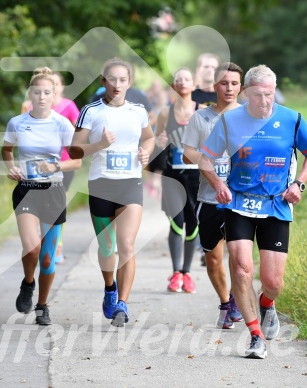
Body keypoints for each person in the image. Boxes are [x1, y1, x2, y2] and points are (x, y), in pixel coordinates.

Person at [198, 64, 307, 359]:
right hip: (239, 202)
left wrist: (299, 185)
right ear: (246, 93)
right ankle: (255, 335)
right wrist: (217, 183)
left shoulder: (292, 120)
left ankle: (267, 304)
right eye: (258, 95)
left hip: (277, 204)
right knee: (241, 269)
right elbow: (205, 159)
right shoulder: (229, 121)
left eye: (269, 95)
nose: (264, 101)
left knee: (273, 282)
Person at [69, 57, 155, 327]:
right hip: (101, 184)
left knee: (127, 244)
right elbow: (74, 150)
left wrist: (146, 153)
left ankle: (122, 305)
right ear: (103, 81)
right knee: (108, 247)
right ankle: (110, 288)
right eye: (112, 79)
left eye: (122, 79)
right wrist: (100, 145)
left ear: (130, 82)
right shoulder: (91, 111)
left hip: (129, 182)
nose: (117, 84)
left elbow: (149, 137)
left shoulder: (138, 110)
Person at [2, 67, 80, 325]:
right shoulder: (17, 122)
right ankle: (28, 282)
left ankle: (42, 305)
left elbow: (77, 161)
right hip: (26, 192)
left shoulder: (62, 123)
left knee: (47, 258)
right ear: (31, 94)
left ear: (54, 94)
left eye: (48, 92)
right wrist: (11, 167)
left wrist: (56, 166)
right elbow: (6, 150)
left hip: (53, 191)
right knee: (32, 248)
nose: (43, 97)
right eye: (38, 92)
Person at [181, 62, 244, 329]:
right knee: (213, 258)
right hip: (208, 199)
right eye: (223, 83)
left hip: (241, 200)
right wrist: (209, 162)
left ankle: (237, 298)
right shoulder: (201, 117)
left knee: (239, 257)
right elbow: (187, 153)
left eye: (234, 83)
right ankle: (225, 301)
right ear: (214, 86)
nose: (229, 88)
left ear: (241, 86)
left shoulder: (250, 117)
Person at [21, 72, 80, 263]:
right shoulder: (30, 107)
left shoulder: (68, 107)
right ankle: (40, 236)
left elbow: (77, 133)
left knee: (57, 205)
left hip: (62, 165)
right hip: (34, 167)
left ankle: (57, 244)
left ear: (59, 88)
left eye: (55, 84)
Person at [154, 68, 198, 293]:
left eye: (186, 79)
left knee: (193, 223)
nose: (182, 82)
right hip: (172, 176)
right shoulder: (165, 113)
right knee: (176, 220)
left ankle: (187, 273)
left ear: (193, 84)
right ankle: (175, 272)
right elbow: (158, 143)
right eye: (178, 79)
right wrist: (160, 141)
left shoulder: (202, 112)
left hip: (196, 176)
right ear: (174, 85)